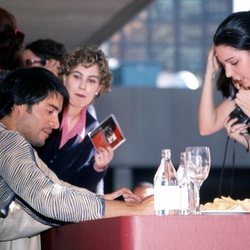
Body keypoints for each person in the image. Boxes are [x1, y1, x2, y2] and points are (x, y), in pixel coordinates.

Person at [0, 67, 154, 249]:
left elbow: (56, 185)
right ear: (20, 105)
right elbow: (49, 199)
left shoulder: (17, 144)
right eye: (50, 112)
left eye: (92, 80)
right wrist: (135, 209)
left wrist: (103, 200)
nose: (55, 124)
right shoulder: (8, 141)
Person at [36, 46, 113, 194]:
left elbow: (80, 191)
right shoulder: (43, 107)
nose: (82, 86)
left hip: (56, 212)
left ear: (99, 87)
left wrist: (97, 168)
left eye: (91, 80)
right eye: (77, 76)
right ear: (65, 78)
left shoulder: (95, 130)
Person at [208, 11, 250, 150]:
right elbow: (207, 125)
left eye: (234, 62)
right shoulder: (244, 90)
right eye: (223, 66)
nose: (228, 73)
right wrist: (247, 141)